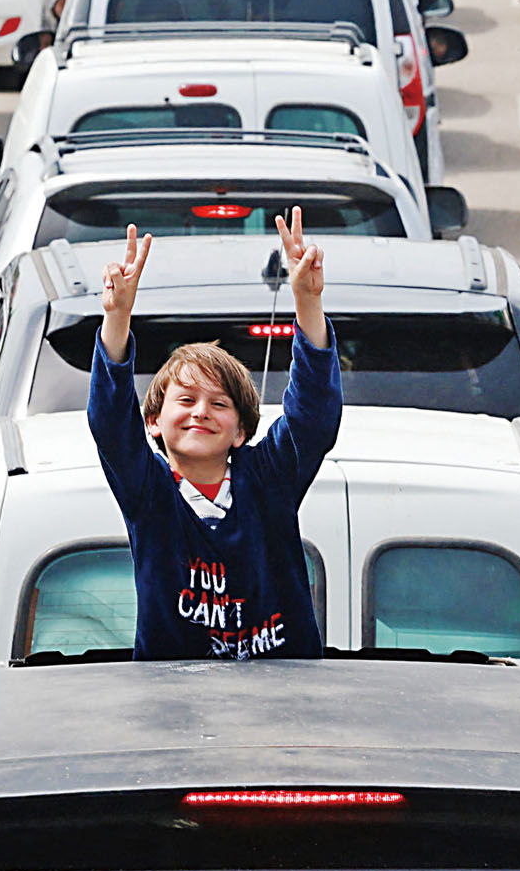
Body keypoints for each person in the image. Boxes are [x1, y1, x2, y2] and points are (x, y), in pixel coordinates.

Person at [88, 212, 338, 660]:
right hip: (174, 715)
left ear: (241, 431)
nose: (201, 412)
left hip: (285, 709)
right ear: (153, 423)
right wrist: (117, 317)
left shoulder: (268, 479)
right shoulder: (149, 492)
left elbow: (314, 417)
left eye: (219, 404)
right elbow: (109, 422)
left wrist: (307, 302)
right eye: (185, 401)